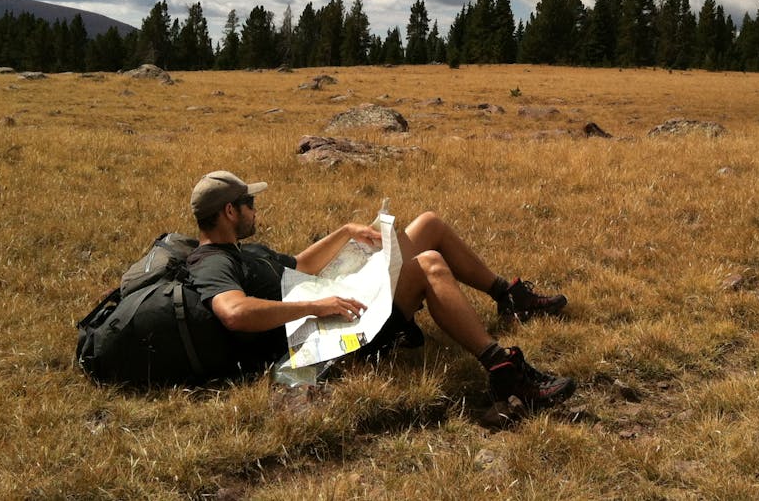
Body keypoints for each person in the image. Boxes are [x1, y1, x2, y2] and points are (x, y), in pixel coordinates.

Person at [185, 170, 575, 409]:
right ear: (230, 212)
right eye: (249, 202)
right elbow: (234, 313)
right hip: (327, 338)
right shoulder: (214, 262)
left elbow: (299, 266)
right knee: (429, 265)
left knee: (428, 225)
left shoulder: (242, 250)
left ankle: (510, 297)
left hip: (334, 302)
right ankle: (503, 369)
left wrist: (346, 232)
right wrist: (318, 306)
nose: (255, 208)